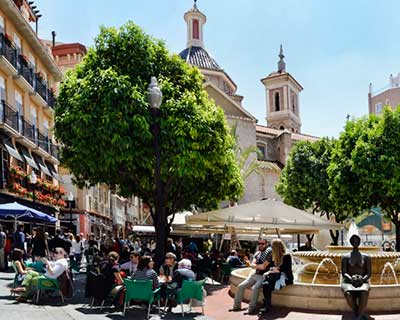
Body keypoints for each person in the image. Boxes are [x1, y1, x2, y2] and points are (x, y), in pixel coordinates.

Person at [231, 237, 272, 315]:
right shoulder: (258, 253)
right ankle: (236, 306)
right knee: (240, 286)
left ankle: (251, 308)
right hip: (254, 274)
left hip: (263, 276)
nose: (260, 245)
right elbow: (252, 264)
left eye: (263, 244)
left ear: (266, 244)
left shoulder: (269, 253)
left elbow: (263, 267)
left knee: (255, 288)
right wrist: (253, 264)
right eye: (259, 243)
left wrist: (254, 265)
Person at [259, 239, 293, 314]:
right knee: (265, 284)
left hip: (285, 278)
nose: (271, 247)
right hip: (276, 276)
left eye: (272, 246)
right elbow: (272, 267)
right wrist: (269, 271)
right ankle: (267, 305)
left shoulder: (287, 256)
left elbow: (286, 269)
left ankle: (266, 305)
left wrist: (275, 270)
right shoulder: (273, 255)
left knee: (267, 285)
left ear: (276, 247)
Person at [341, 233, 371, 319]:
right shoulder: (345, 257)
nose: (355, 242)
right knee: (348, 293)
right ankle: (357, 312)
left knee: (364, 292)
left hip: (363, 280)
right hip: (348, 281)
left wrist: (362, 279)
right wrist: (351, 278)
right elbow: (344, 273)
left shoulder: (366, 257)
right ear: (351, 243)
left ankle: (359, 316)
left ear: (359, 242)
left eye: (357, 241)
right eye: (353, 241)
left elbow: (369, 273)